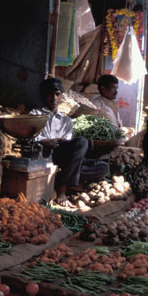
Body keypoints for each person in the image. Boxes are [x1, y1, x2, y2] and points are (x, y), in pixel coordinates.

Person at [29, 78, 88, 207]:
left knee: (101, 167)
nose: (54, 98)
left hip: (61, 155)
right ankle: (62, 190)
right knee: (82, 143)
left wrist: (57, 142)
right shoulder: (35, 114)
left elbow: (67, 142)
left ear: (61, 96)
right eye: (50, 94)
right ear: (44, 96)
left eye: (57, 94)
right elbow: (30, 138)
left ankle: (62, 180)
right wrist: (46, 141)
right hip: (42, 155)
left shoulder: (66, 120)